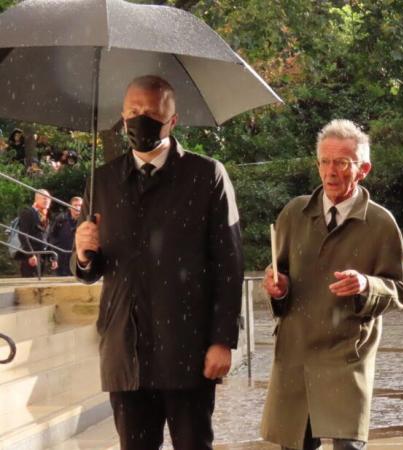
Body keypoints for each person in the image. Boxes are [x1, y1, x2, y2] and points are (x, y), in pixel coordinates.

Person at [72, 75, 244, 450]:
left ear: (173, 119)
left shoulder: (205, 176)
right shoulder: (102, 181)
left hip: (188, 349)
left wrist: (222, 340)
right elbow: (94, 269)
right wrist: (83, 254)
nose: (140, 118)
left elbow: (228, 267)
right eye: (133, 110)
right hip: (125, 352)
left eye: (151, 112)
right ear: (121, 113)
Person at [260, 119, 403, 450]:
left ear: (363, 169)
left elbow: (399, 292)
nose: (330, 172)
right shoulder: (293, 215)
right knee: (295, 444)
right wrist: (277, 286)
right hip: (296, 355)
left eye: (342, 162)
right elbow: (278, 277)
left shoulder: (381, 224)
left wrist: (366, 285)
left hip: (347, 356)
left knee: (348, 445)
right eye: (325, 162)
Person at [15, 189, 58, 277]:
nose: (47, 201)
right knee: (29, 283)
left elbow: (47, 238)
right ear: (36, 199)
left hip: (42, 255)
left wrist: (52, 257)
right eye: (44, 198)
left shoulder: (45, 215)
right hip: (30, 256)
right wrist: (30, 254)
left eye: (48, 199)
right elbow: (23, 235)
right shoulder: (28, 212)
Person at [49, 196, 82, 276]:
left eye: (80, 205)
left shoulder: (86, 221)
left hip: (79, 259)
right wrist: (54, 258)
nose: (78, 207)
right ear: (70, 207)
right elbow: (52, 238)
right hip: (62, 259)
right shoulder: (61, 219)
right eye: (75, 205)